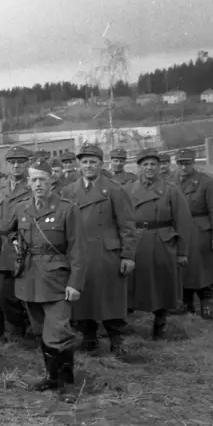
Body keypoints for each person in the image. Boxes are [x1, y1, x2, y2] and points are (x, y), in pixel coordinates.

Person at [0, 159, 85, 397]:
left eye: (43, 180)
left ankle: (67, 383)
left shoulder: (67, 209)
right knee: (40, 330)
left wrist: (75, 283)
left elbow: (77, 249)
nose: (38, 184)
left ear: (51, 182)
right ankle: (51, 377)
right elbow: (6, 231)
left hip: (57, 279)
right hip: (29, 278)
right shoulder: (21, 208)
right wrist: (15, 243)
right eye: (34, 180)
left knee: (58, 330)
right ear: (28, 183)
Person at [63, 143, 136, 356]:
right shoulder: (69, 191)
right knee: (83, 297)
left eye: (93, 162)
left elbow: (127, 225)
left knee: (111, 298)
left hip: (107, 254)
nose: (88, 166)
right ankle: (89, 337)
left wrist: (128, 255)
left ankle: (117, 340)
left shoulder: (114, 189)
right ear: (79, 164)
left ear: (101, 164)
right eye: (84, 162)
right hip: (80, 253)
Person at [124, 149, 193, 338]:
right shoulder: (127, 190)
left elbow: (183, 222)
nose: (149, 168)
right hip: (136, 240)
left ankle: (160, 321)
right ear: (139, 167)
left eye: (153, 164)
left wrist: (182, 252)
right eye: (145, 164)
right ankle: (124, 323)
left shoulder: (171, 190)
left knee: (162, 282)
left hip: (162, 241)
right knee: (131, 282)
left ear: (160, 167)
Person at [175, 148, 213, 319]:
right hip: (179, 229)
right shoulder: (171, 182)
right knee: (183, 268)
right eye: (180, 163)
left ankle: (206, 303)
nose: (183, 167)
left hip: (200, 229)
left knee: (202, 268)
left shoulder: (207, 182)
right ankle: (186, 302)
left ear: (194, 163)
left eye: (187, 163)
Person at [0, 146, 33, 340]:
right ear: (7, 165)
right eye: (12, 162)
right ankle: (16, 328)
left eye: (21, 162)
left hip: (26, 246)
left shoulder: (33, 185)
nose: (16, 166)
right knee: (3, 294)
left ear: (27, 164)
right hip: (3, 249)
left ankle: (33, 329)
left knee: (28, 291)